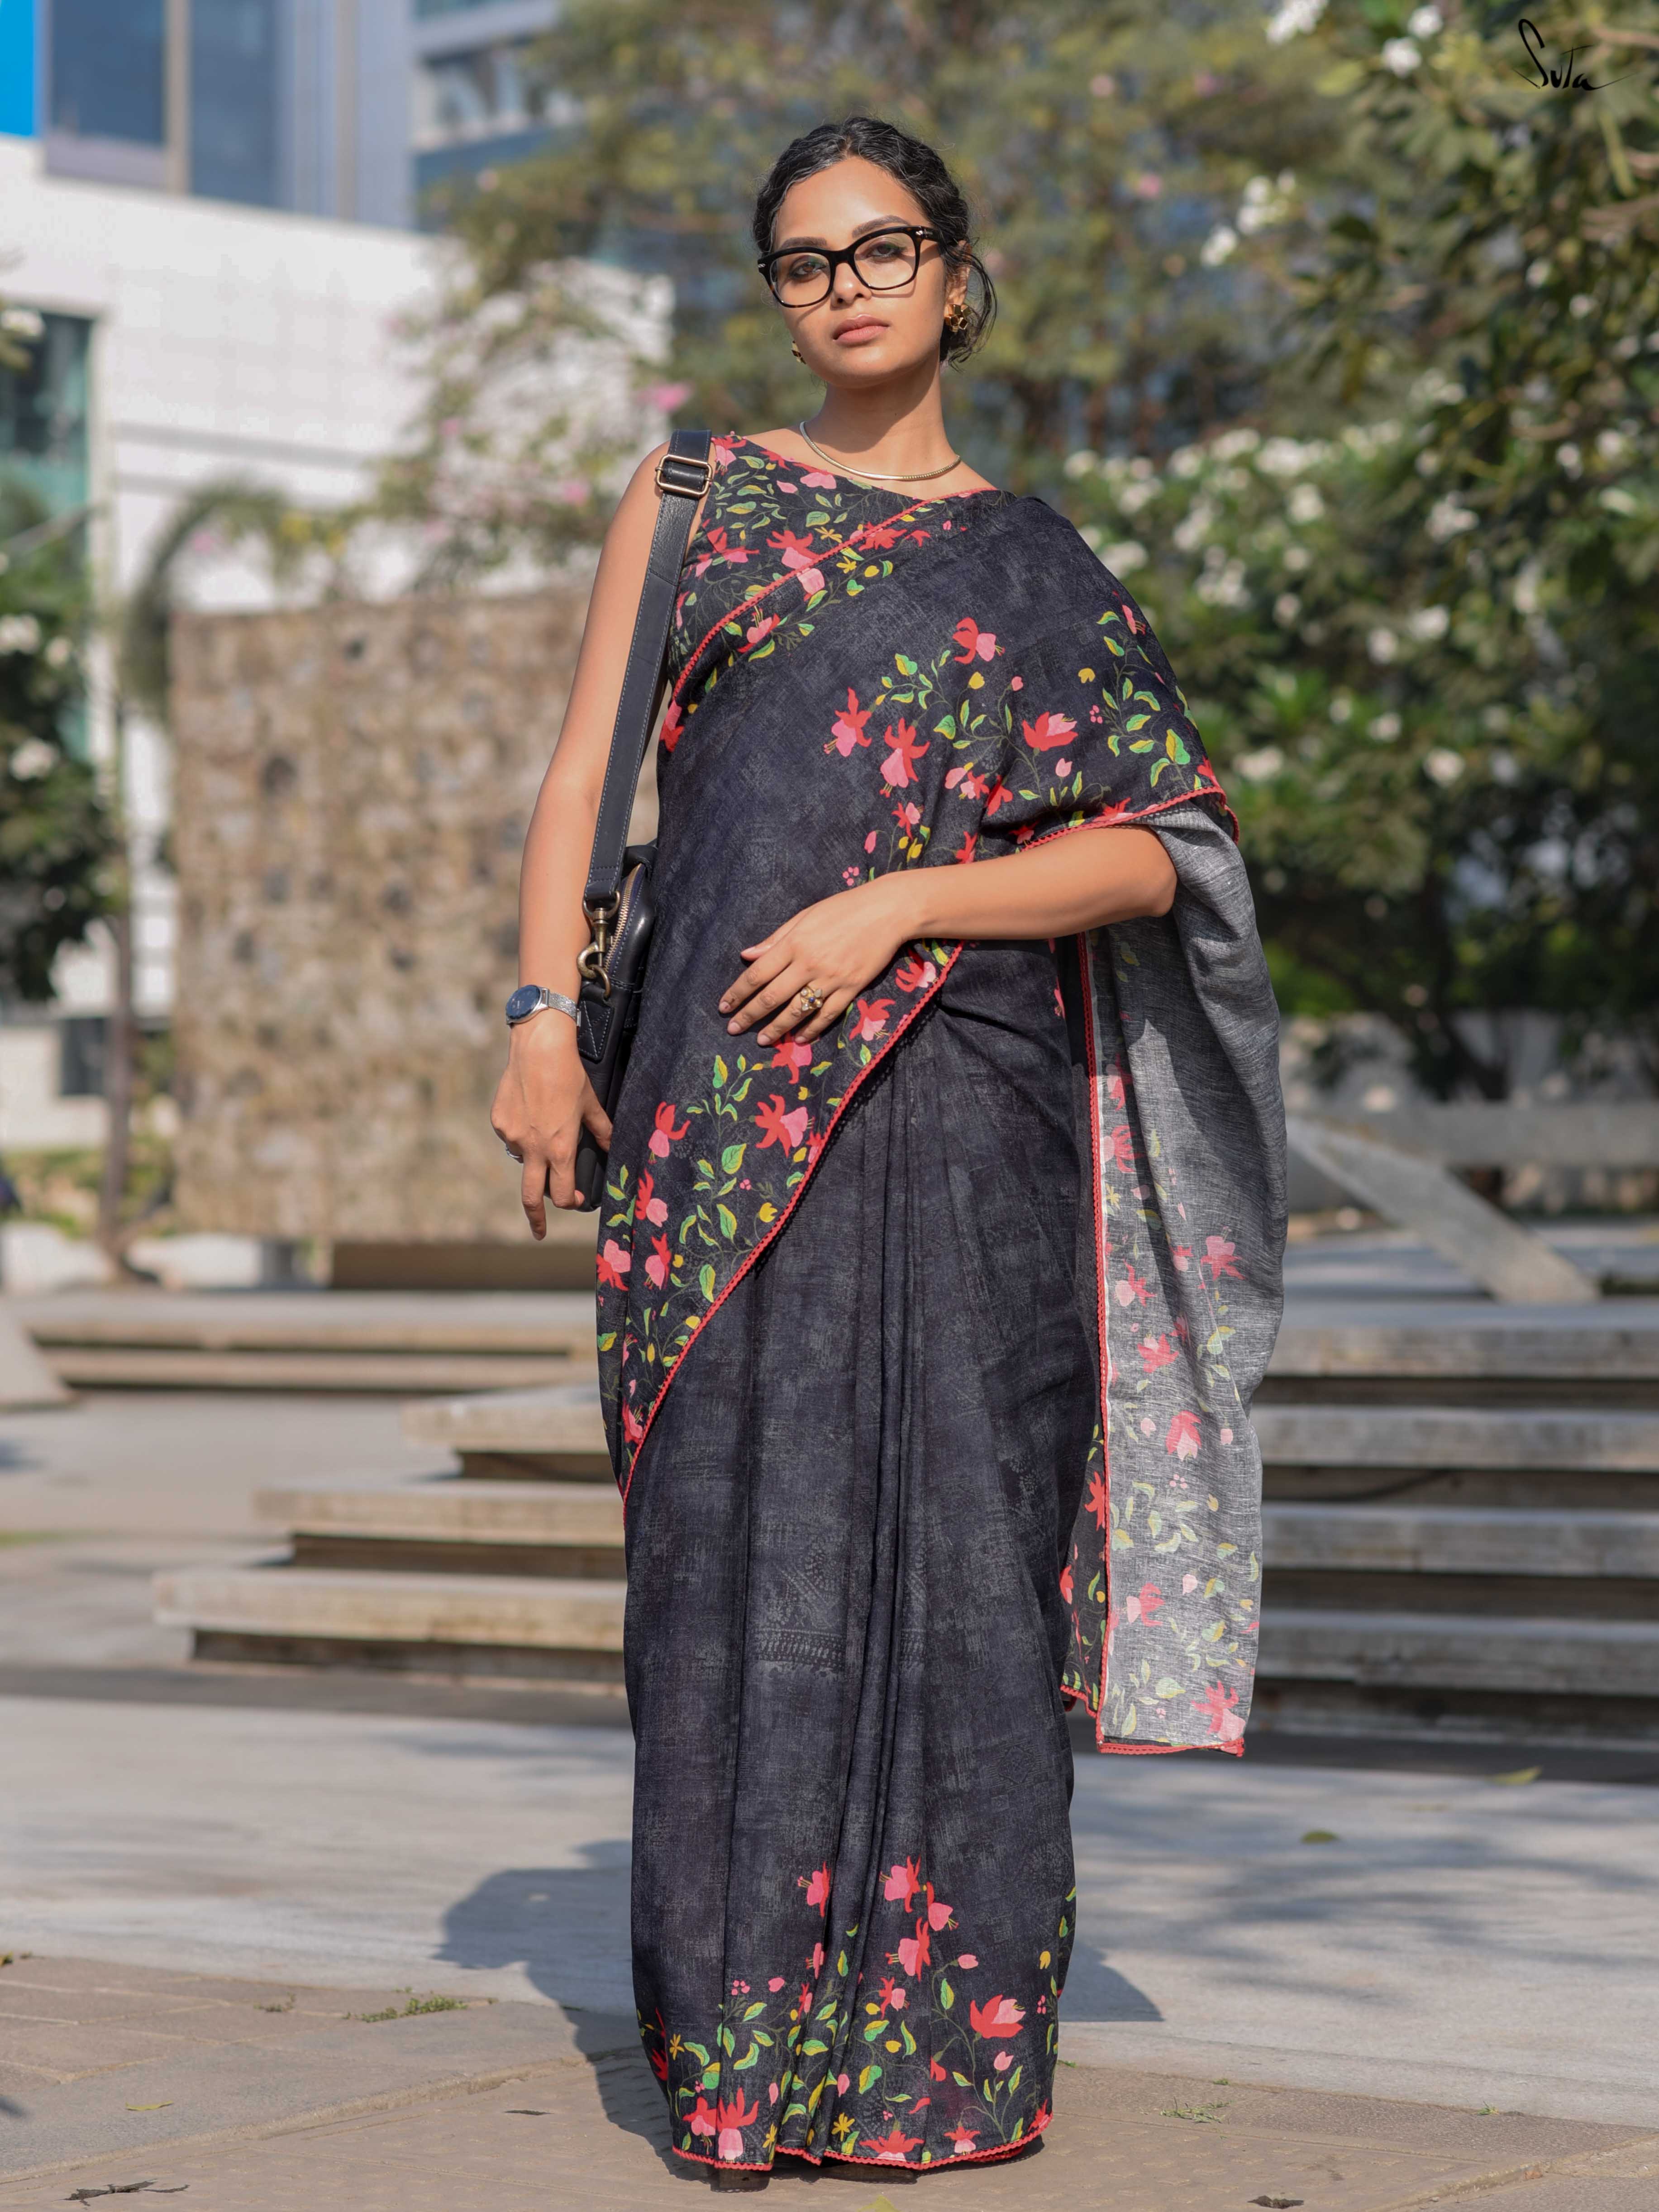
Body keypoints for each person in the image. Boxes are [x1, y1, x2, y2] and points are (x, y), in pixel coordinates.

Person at [492, 114, 1286, 2190]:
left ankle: (942, 2067)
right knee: (721, 1570)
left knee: (961, 1569)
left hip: (966, 1129)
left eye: (880, 247)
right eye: (803, 259)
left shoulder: (1034, 563)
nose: (842, 286)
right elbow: (579, 782)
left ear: (952, 270)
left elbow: (1162, 851)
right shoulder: (693, 497)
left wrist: (905, 901)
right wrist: (534, 1018)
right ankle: (744, 2063)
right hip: (715, 1125)